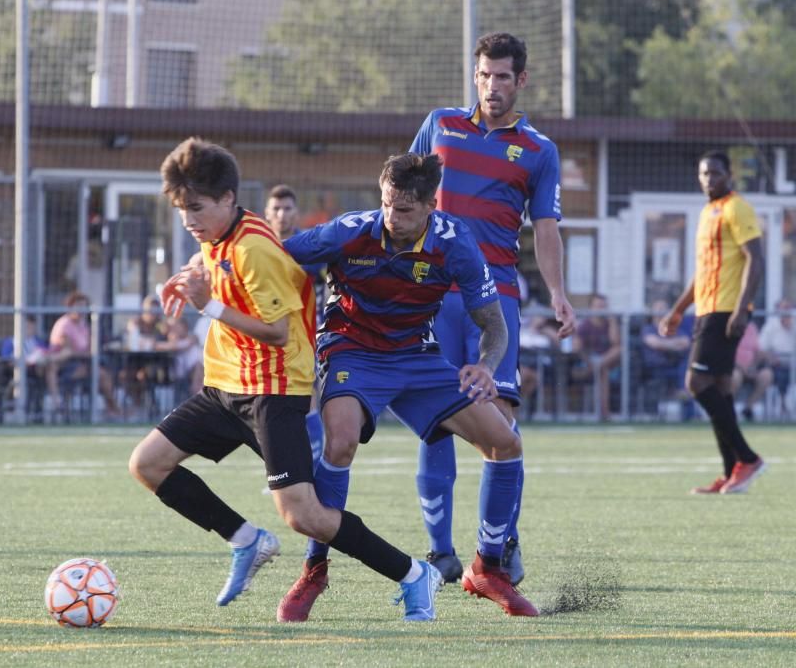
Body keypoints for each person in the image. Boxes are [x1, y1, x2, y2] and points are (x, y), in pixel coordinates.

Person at [128, 137, 442, 622]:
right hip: (224, 388)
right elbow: (212, 264)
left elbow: (276, 333)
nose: (188, 219)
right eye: (180, 209)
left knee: (304, 516)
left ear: (228, 199)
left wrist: (206, 305)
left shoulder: (256, 248)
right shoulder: (215, 238)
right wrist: (186, 276)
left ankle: (413, 574)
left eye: (196, 207)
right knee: (148, 464)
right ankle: (246, 540)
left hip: (272, 393)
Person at [275, 152, 538, 622]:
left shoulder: (456, 242)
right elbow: (275, 258)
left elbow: (495, 326)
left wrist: (484, 365)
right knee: (340, 443)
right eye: (387, 205)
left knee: (505, 440)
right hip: (351, 349)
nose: (391, 217)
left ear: (430, 207)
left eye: (404, 210)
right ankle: (314, 568)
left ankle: (487, 568)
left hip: (416, 357)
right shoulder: (349, 230)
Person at [408, 31, 576, 585]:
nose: (492, 85)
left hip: (495, 301)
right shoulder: (440, 125)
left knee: (500, 427)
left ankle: (499, 544)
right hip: (432, 295)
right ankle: (439, 553)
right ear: (474, 75)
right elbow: (402, 197)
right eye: (484, 75)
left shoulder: (538, 150)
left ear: (520, 80)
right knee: (437, 424)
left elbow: (546, 229)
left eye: (502, 76)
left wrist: (557, 292)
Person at [659, 150, 767, 495]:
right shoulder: (708, 212)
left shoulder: (737, 208)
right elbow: (703, 272)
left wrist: (741, 308)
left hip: (725, 311)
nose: (709, 180)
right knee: (720, 389)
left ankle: (747, 458)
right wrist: (678, 309)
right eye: (704, 174)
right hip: (705, 309)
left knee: (696, 383)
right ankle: (730, 471)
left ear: (729, 175)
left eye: (716, 174)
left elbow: (756, 260)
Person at [265, 184, 325, 464]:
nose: (281, 214)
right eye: (276, 208)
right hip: (266, 335)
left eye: (287, 208)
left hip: (303, 336)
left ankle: (310, 468)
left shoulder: (309, 248)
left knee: (306, 397)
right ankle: (286, 469)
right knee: (271, 401)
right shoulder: (259, 246)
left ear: (296, 213)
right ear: (267, 213)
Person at [45, 291, 121, 417]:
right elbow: (68, 351)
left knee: (105, 373)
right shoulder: (64, 324)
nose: (82, 310)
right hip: (65, 366)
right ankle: (114, 409)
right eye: (79, 305)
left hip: (81, 362)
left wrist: (88, 353)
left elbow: (90, 348)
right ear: (70, 307)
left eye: (85, 306)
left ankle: (112, 408)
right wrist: (86, 354)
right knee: (101, 374)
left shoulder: (84, 325)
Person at [757, 299, 796, 415]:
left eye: (788, 308)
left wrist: (794, 329)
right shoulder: (770, 326)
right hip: (778, 365)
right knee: (780, 375)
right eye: (783, 308)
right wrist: (771, 358)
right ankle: (783, 407)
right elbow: (761, 349)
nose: (786, 312)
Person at [640, 299, 694, 420]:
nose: (661, 311)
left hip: (675, 366)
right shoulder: (648, 329)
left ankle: (689, 414)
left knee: (687, 366)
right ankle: (683, 394)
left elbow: (685, 342)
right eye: (658, 308)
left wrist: (665, 345)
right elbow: (654, 343)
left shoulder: (673, 328)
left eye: (663, 308)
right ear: (652, 312)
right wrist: (673, 345)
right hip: (655, 368)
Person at [573, 294, 622, 421]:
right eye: (598, 306)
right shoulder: (584, 325)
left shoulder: (609, 323)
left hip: (609, 365)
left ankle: (598, 366)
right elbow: (577, 348)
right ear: (591, 307)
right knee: (602, 370)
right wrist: (590, 362)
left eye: (604, 306)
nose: (601, 309)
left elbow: (616, 343)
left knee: (617, 351)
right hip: (586, 365)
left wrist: (612, 322)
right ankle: (605, 413)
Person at [730, 321, 772, 422]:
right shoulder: (728, 326)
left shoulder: (752, 327)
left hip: (751, 368)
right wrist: (741, 367)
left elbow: (758, 351)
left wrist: (753, 366)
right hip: (734, 367)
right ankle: (728, 409)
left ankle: (748, 408)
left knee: (767, 375)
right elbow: (726, 353)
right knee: (735, 377)